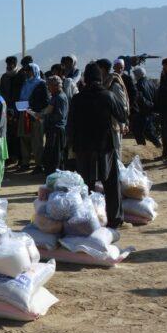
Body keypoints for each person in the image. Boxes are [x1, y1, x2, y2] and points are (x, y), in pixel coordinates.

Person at [68, 63, 127, 228]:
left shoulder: (77, 98)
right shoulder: (107, 95)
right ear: (100, 78)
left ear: (85, 79)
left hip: (82, 147)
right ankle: (114, 219)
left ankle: (86, 219)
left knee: (85, 185)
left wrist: (71, 144)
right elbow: (122, 116)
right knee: (111, 183)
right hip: (104, 147)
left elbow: (71, 124)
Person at [17, 63, 48, 171]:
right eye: (27, 71)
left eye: (30, 70)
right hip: (24, 113)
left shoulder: (41, 84)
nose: (27, 72)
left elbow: (45, 101)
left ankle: (39, 164)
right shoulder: (25, 83)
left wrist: (34, 108)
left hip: (36, 115)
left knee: (37, 141)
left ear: (35, 71)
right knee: (24, 138)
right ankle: (25, 163)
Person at [98, 58, 130, 153]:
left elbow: (122, 106)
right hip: (106, 124)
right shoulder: (104, 82)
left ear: (103, 69)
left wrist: (124, 124)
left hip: (114, 124)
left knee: (115, 151)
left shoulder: (114, 84)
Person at [42, 75, 69, 175]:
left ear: (56, 86)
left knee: (56, 157)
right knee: (50, 156)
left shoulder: (60, 98)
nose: (48, 88)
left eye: (49, 86)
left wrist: (45, 117)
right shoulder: (54, 97)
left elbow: (59, 116)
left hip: (57, 130)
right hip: (52, 130)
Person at [130, 66, 161, 148]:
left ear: (138, 75)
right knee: (149, 131)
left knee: (138, 130)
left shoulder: (138, 85)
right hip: (151, 112)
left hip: (142, 112)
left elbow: (141, 99)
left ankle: (142, 147)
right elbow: (156, 97)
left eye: (135, 74)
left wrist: (149, 105)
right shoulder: (151, 83)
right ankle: (158, 145)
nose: (134, 76)